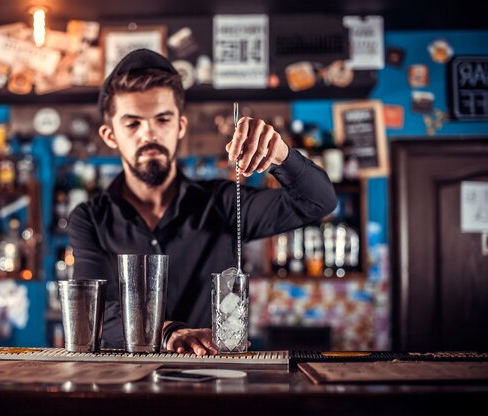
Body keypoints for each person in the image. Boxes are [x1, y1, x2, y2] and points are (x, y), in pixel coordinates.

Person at [68, 48, 337, 356]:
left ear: (180, 126)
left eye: (162, 119)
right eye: (132, 123)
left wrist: (281, 156)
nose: (149, 134)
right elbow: (93, 311)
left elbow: (318, 202)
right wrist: (169, 333)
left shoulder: (223, 202)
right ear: (110, 134)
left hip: (213, 379)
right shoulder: (90, 218)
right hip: (126, 388)